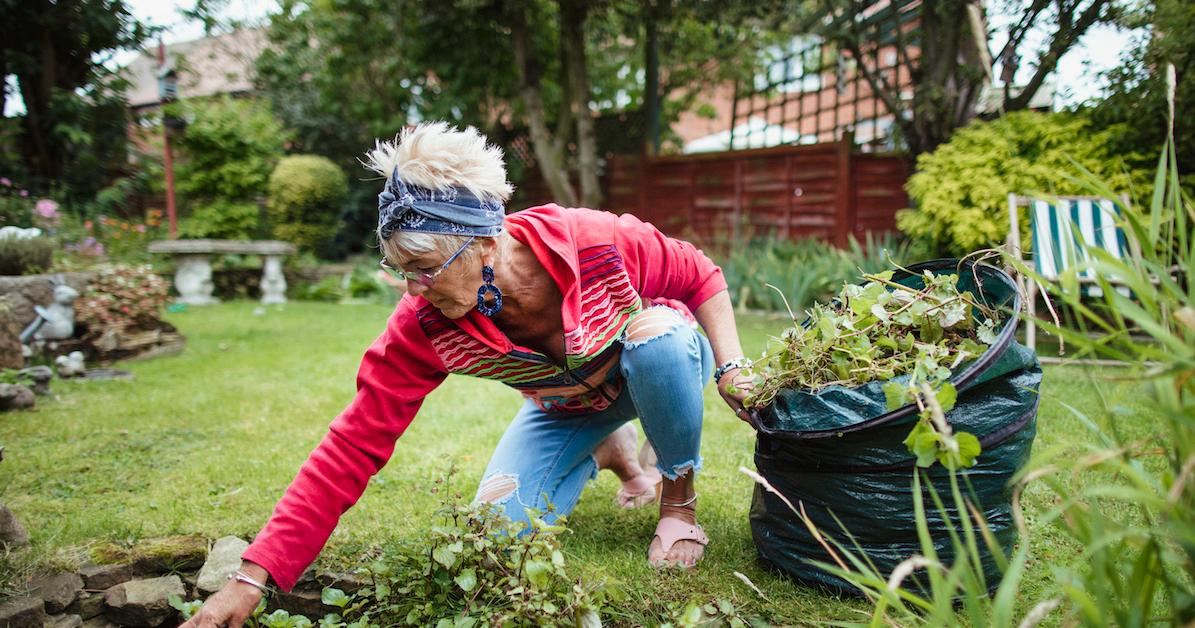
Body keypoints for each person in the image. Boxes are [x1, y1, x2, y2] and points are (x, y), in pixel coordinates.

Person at [181, 122, 755, 628]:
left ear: (484, 241)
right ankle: (613, 450)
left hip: (655, 366)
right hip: (564, 406)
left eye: (424, 268)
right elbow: (353, 443)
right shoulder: (424, 325)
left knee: (661, 340)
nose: (412, 289)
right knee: (495, 540)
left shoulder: (591, 239)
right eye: (399, 269)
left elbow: (700, 276)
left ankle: (677, 503)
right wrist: (254, 575)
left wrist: (731, 367)